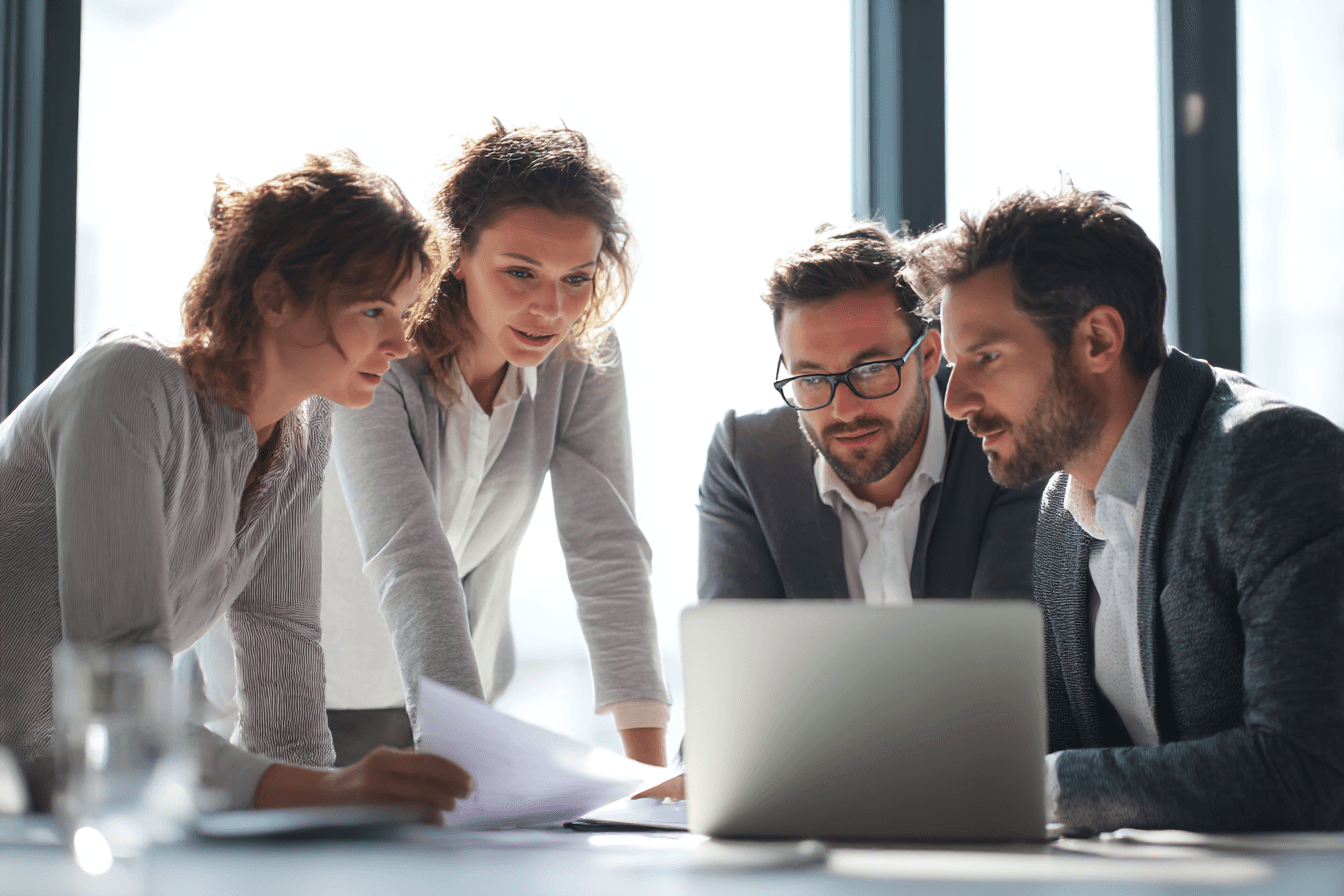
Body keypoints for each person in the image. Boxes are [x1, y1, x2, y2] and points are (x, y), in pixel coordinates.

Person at [0, 152, 472, 815]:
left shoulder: (303, 430)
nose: (400, 341)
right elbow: (117, 688)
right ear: (275, 296)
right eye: (372, 311)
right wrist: (329, 790)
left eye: (403, 311)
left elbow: (283, 650)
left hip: (45, 789)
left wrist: (325, 818)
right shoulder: (126, 384)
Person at [903, 187, 1344, 832]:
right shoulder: (1062, 509)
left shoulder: (1267, 459)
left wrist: (1044, 785)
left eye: (987, 358)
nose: (957, 399)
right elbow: (1063, 742)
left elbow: (1309, 765)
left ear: (1099, 339)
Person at [319, 124, 670, 768]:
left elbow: (608, 548)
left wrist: (648, 772)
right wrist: (475, 756)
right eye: (520, 273)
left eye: (577, 279)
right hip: (304, 695)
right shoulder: (381, 354)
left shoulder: (583, 360)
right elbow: (411, 559)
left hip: (452, 694)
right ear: (456, 255)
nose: (551, 309)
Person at [699, 222, 1042, 607]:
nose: (843, 410)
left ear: (928, 356)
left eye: (871, 370)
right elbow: (736, 655)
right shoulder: (746, 460)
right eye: (811, 378)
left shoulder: (999, 433)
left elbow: (1009, 651)